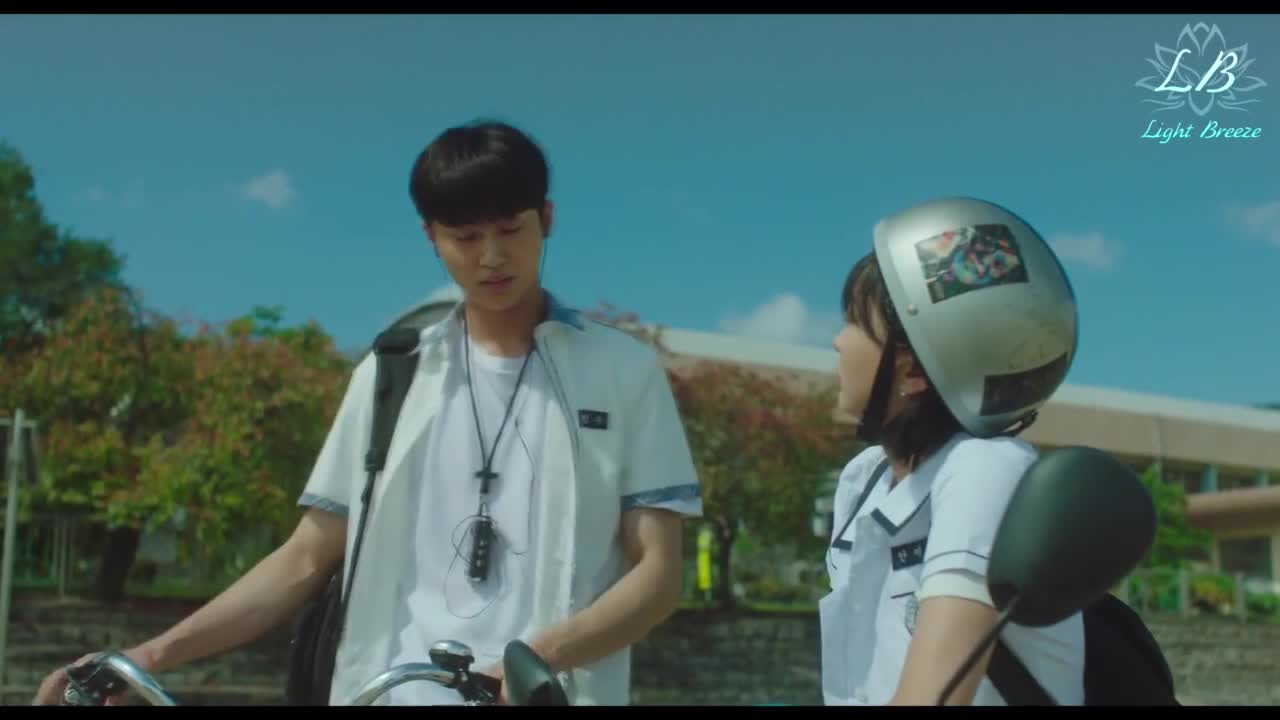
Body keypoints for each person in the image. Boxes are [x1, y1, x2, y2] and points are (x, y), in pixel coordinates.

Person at [33, 120, 702, 707]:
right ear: (431, 237)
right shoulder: (393, 373)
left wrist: (536, 661)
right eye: (465, 236)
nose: (492, 257)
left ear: (546, 219)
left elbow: (658, 572)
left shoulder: (621, 371)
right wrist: (149, 656)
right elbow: (306, 557)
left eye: (510, 230)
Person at [821, 197, 1083, 706]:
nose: (837, 342)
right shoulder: (865, 479)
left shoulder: (984, 471)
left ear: (913, 370)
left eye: (853, 323)